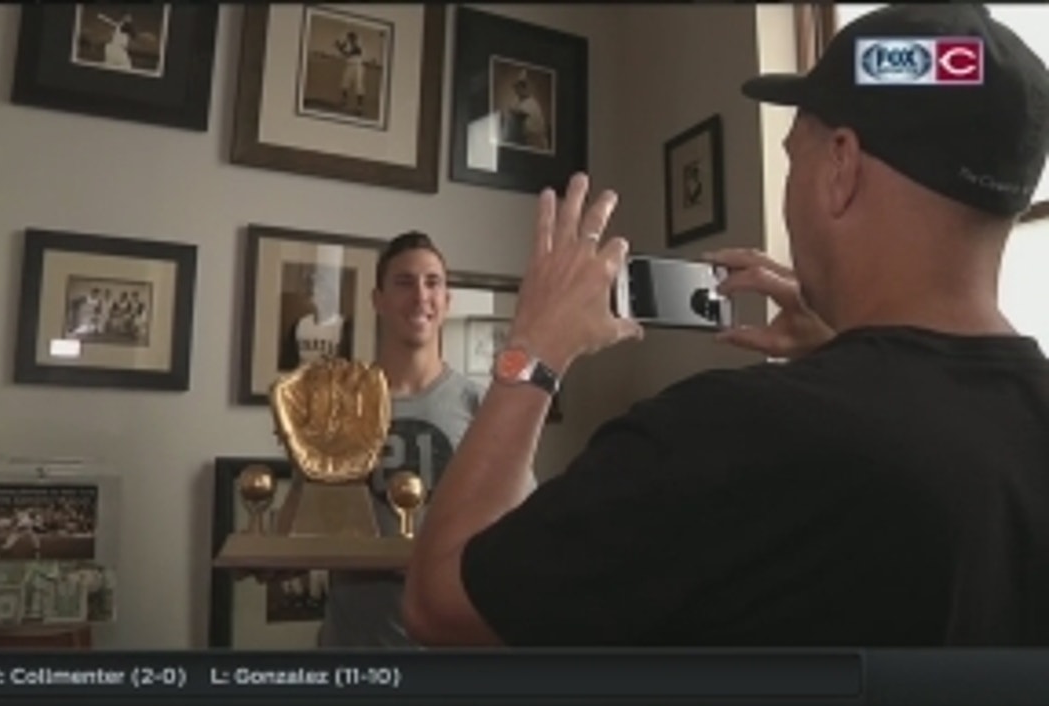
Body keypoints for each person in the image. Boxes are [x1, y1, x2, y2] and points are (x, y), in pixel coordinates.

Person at [403, 3, 1049, 647]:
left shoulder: (737, 433)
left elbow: (441, 603)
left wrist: (533, 349)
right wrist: (847, 346)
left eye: (794, 156)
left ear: (841, 167)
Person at [315, 231, 537, 647]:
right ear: (378, 300)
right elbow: (311, 524)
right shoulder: (338, 408)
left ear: (447, 301)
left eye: (433, 283)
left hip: (454, 658)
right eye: (404, 283)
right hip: (354, 652)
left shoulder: (486, 408)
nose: (421, 296)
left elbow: (523, 526)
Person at [278, 264, 355, 370]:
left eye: (322, 291)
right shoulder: (299, 325)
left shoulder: (345, 327)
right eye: (315, 291)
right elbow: (288, 364)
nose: (317, 295)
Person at [501, 69, 549, 151]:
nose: (517, 90)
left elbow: (534, 130)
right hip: (517, 139)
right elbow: (510, 113)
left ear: (524, 88)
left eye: (520, 87)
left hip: (532, 143)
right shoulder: (516, 100)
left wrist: (516, 114)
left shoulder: (533, 104)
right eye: (516, 88)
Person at [336, 30, 366, 112]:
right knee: (344, 84)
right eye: (349, 37)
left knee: (359, 87)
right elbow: (345, 54)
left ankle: (360, 107)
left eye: (351, 37)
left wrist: (339, 47)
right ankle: (344, 101)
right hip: (349, 66)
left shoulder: (358, 44)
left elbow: (352, 52)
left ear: (354, 38)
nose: (349, 39)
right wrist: (339, 46)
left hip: (357, 67)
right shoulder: (349, 45)